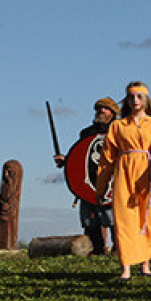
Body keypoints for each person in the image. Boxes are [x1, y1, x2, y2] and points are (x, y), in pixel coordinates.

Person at [95, 82, 151, 283]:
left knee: (146, 217)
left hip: (148, 173)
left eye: (139, 96)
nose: (135, 100)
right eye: (132, 96)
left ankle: (145, 263)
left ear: (146, 99)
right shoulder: (118, 126)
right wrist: (102, 186)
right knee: (124, 218)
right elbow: (107, 158)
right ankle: (126, 268)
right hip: (124, 171)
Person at [54, 96, 119, 256]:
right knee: (90, 220)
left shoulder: (118, 131)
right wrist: (67, 161)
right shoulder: (87, 133)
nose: (100, 111)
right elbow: (82, 157)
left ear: (112, 112)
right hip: (89, 182)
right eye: (98, 108)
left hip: (111, 182)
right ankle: (98, 249)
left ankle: (119, 248)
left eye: (104, 108)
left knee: (113, 219)